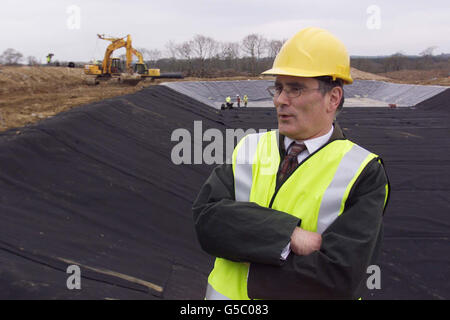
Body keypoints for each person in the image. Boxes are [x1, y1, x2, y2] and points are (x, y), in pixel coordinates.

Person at [192, 27, 390, 300]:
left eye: (295, 89)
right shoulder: (250, 148)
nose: (279, 100)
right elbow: (207, 221)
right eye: (278, 88)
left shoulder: (363, 172)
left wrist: (244, 252)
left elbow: (339, 275)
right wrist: (289, 236)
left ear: (333, 98)